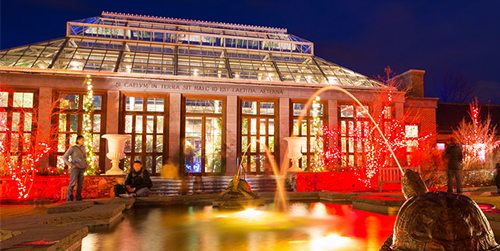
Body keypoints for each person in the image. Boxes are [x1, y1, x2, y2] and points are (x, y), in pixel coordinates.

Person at [63, 135, 88, 201]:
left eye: (83, 140)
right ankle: (69, 198)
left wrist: (86, 164)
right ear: (78, 140)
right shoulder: (73, 148)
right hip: (75, 168)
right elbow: (65, 157)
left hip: (82, 168)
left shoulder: (83, 148)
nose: (83, 141)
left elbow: (84, 157)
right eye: (82, 140)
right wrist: (70, 164)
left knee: (80, 184)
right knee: (72, 183)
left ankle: (78, 197)